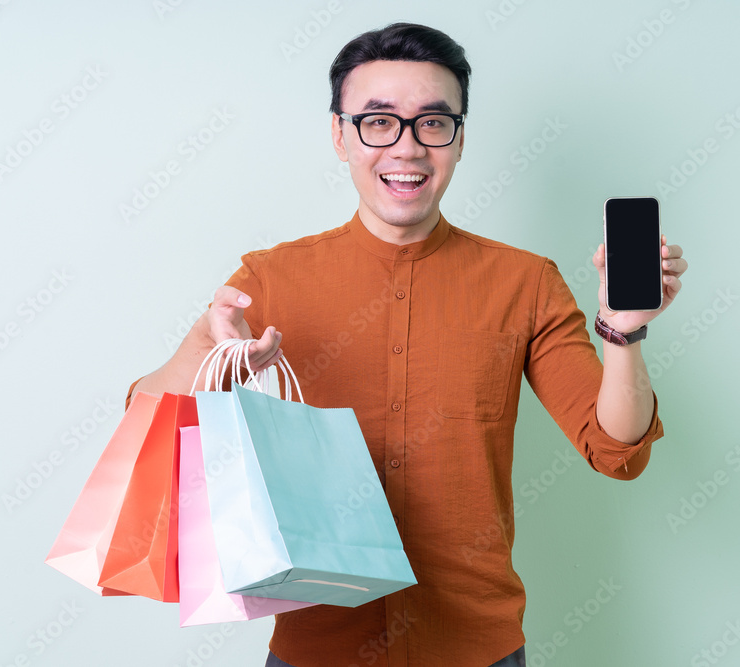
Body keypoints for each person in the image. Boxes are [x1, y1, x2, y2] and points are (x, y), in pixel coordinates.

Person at [130, 22, 687, 667]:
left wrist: (622, 331)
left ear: (457, 137)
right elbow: (147, 434)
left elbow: (617, 449)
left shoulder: (525, 282)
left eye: (432, 122)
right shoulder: (268, 279)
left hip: (477, 648)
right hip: (319, 650)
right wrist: (204, 342)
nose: (407, 147)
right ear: (340, 135)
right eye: (378, 122)